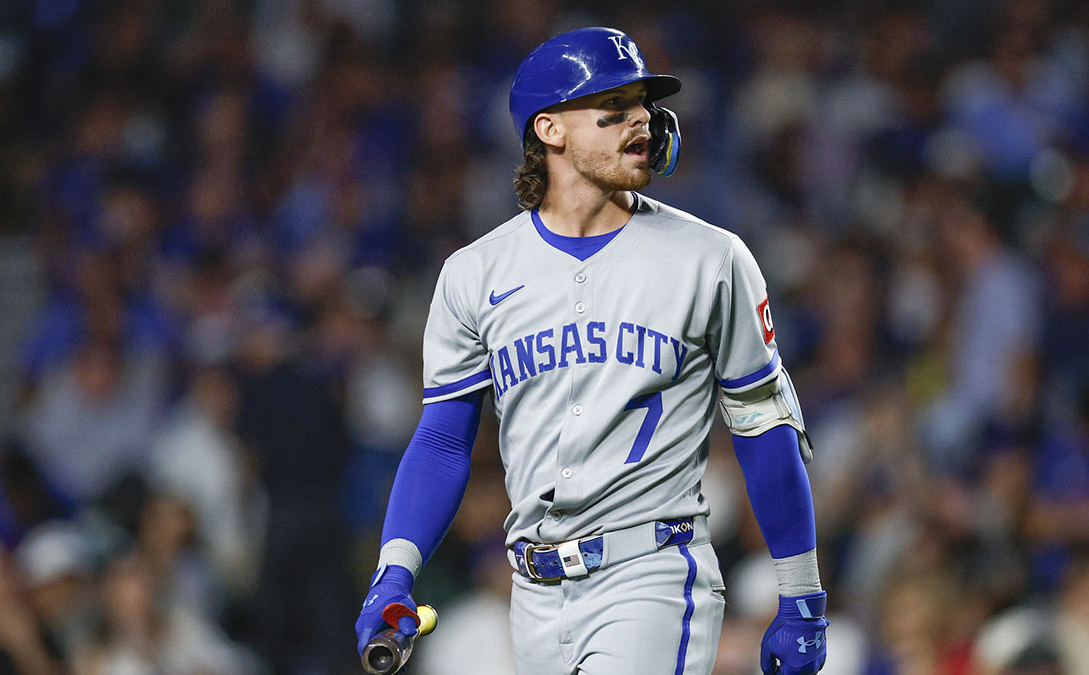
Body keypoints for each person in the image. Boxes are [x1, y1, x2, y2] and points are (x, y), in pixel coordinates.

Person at [355, 27, 828, 675]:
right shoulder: (474, 273)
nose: (641, 122)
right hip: (532, 593)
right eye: (612, 110)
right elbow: (441, 439)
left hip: (654, 573)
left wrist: (802, 595)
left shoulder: (711, 260)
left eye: (644, 107)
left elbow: (765, 427)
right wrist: (394, 571)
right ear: (550, 130)